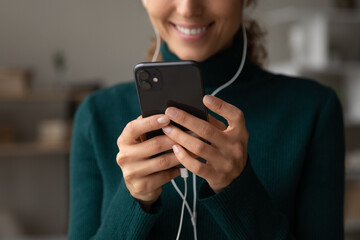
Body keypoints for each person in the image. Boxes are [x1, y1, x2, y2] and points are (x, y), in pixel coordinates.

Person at [68, 0, 345, 239]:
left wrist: (236, 191)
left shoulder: (314, 111)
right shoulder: (96, 116)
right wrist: (134, 201)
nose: (188, 9)